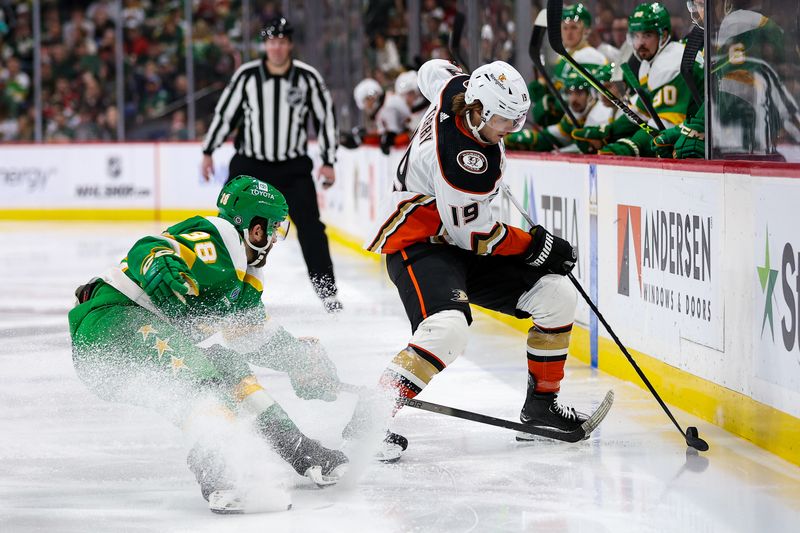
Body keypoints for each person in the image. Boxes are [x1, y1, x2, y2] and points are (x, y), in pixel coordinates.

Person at [363, 59, 601, 460]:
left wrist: (457, 71)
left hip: (455, 237)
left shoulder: (456, 89)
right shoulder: (463, 161)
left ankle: (541, 408)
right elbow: (475, 236)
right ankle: (366, 423)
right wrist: (537, 246)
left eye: (517, 119)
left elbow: (431, 71)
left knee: (556, 297)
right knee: (447, 330)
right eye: (504, 120)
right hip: (419, 240)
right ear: (477, 110)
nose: (511, 130)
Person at [68, 175, 348, 514]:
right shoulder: (217, 241)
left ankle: (299, 448)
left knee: (229, 367)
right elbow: (152, 245)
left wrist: (300, 361)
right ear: (254, 229)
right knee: (202, 382)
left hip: (128, 351)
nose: (274, 238)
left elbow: (253, 337)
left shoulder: (245, 277)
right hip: (112, 325)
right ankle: (219, 477)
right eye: (273, 229)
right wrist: (155, 259)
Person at [200, 16, 343, 313]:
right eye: (271, 42)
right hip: (251, 164)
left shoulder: (307, 77)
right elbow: (226, 114)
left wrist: (328, 160)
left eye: (281, 42)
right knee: (230, 225)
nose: (276, 47)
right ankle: (223, 288)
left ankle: (328, 293)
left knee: (311, 228)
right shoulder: (247, 76)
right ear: (265, 45)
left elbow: (326, 118)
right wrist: (208, 150)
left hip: (292, 166)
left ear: (289, 44)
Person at [570, 2, 704, 157]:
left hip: (706, 138)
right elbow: (642, 112)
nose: (640, 43)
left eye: (647, 35)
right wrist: (608, 133)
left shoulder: (673, 60)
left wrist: (630, 146)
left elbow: (666, 121)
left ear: (664, 35)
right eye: (636, 36)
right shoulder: (648, 65)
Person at [528, 3, 608, 127]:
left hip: (583, 125)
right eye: (565, 28)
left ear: (586, 30)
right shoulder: (565, 56)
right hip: (565, 123)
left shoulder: (590, 57)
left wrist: (550, 105)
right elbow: (560, 88)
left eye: (574, 28)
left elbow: (582, 97)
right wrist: (543, 88)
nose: (568, 33)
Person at [504, 65, 615, 153]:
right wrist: (532, 138)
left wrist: (560, 152)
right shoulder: (575, 113)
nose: (573, 99)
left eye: (579, 93)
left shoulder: (601, 115)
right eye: (570, 93)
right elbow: (557, 135)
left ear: (591, 94)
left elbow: (589, 150)